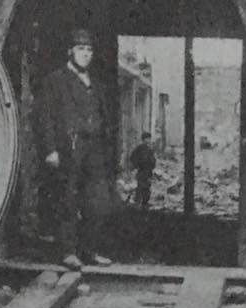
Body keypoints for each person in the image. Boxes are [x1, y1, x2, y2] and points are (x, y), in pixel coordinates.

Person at [35, 28, 113, 269]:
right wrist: (50, 150)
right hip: (69, 147)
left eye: (89, 50)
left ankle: (89, 250)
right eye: (81, 49)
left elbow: (105, 118)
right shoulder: (55, 81)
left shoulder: (96, 84)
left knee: (98, 201)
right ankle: (68, 252)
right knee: (67, 199)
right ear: (70, 51)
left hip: (94, 149)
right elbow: (44, 117)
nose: (86, 54)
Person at [129, 132, 156, 209]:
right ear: (143, 139)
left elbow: (153, 159)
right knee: (140, 186)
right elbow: (132, 157)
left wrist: (152, 165)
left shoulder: (149, 149)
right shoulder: (139, 148)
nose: (149, 140)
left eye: (149, 138)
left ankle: (145, 203)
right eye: (147, 138)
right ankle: (137, 202)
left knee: (147, 186)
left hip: (148, 171)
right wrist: (137, 166)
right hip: (142, 171)